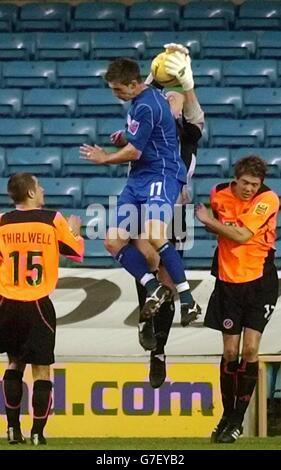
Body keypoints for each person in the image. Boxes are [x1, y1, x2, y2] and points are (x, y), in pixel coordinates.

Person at [80, 57, 201, 352]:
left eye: (118, 89)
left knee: (154, 235)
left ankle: (187, 300)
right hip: (138, 181)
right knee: (112, 240)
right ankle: (153, 286)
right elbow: (137, 133)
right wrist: (125, 135)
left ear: (133, 86)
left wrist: (104, 157)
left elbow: (134, 152)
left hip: (162, 175)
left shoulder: (151, 106)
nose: (115, 94)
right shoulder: (141, 97)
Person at [133, 43, 204, 388]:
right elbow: (141, 98)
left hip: (175, 207)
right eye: (167, 98)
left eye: (173, 102)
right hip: (144, 197)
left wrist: (185, 77)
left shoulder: (188, 135)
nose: (169, 102)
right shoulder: (146, 124)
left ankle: (158, 351)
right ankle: (147, 318)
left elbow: (194, 111)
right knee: (144, 258)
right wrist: (155, 71)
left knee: (166, 279)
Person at [195, 156, 279, 443]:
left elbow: (242, 235)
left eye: (254, 184)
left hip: (260, 282)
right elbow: (219, 224)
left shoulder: (268, 199)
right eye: (245, 183)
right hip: (228, 282)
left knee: (250, 350)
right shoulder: (218, 193)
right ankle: (226, 416)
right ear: (236, 178)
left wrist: (207, 221)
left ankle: (237, 421)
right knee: (230, 352)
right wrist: (210, 222)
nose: (249, 189)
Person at [0, 173, 84, 445]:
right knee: (42, 370)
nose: (43, 189)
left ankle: (13, 429)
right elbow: (75, 252)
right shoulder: (51, 219)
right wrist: (75, 230)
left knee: (14, 363)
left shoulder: (2, 222)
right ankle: (37, 432)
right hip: (37, 302)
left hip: (8, 301)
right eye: (39, 186)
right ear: (32, 193)